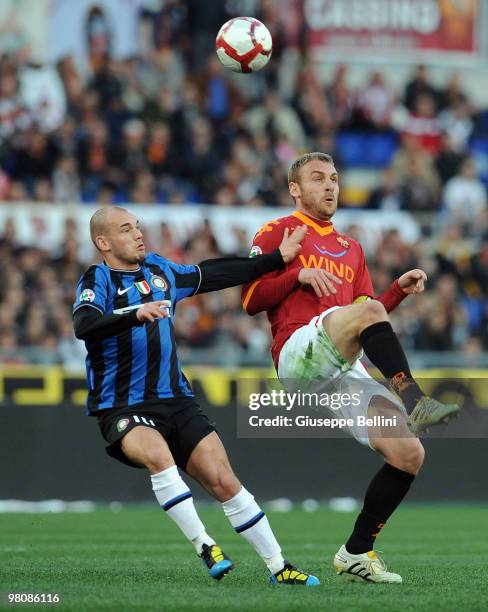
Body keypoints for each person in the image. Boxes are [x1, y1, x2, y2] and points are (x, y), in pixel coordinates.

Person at [241, 152, 460, 583]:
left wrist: (396, 291)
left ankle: (356, 552)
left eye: (335, 178)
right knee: (366, 315)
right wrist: (296, 278)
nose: (329, 186)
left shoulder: (351, 249)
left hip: (341, 368)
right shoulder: (277, 232)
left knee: (408, 454)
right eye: (317, 178)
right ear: (295, 189)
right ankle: (415, 399)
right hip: (297, 354)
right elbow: (250, 299)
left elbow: (367, 315)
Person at [72, 206, 319, 586]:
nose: (138, 234)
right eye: (126, 230)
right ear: (102, 242)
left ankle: (279, 567)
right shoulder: (99, 278)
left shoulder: (159, 270)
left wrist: (275, 259)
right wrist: (135, 313)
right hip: (122, 404)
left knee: (223, 481)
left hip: (176, 400)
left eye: (138, 227)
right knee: (158, 456)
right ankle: (206, 546)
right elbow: (84, 324)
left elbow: (213, 274)